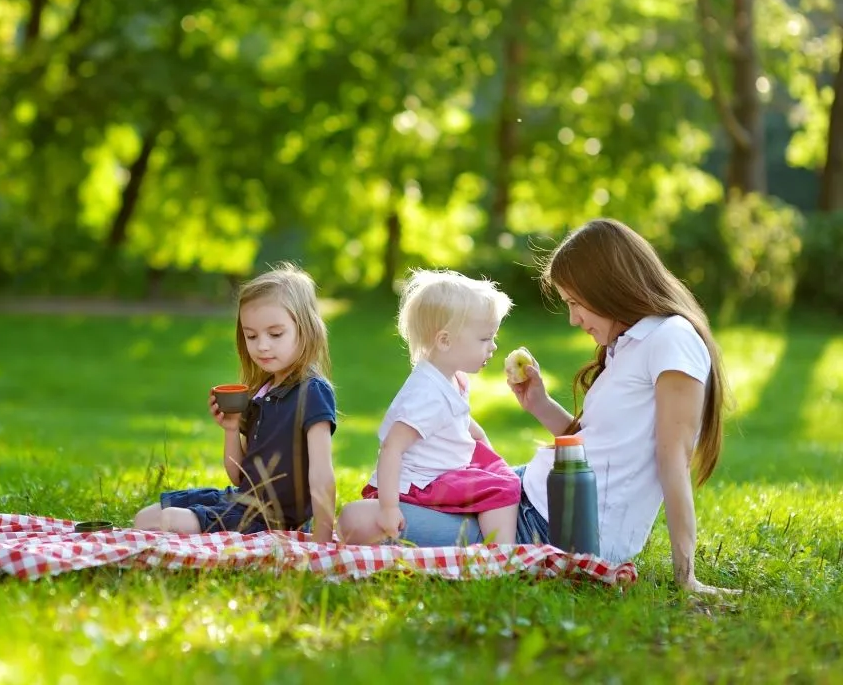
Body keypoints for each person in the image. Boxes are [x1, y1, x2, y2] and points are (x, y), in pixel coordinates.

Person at [339, 219, 738, 596]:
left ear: (610, 286)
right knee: (395, 497)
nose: (573, 319)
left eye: (576, 303)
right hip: (528, 493)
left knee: (357, 520)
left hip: (544, 526)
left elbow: (673, 457)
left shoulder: (671, 339)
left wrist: (686, 576)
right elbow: (592, 448)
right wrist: (540, 404)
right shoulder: (628, 345)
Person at [132, 263, 337, 542]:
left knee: (164, 522)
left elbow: (322, 474)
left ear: (307, 330)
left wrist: (322, 542)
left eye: (275, 334)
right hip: (240, 501)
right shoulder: (261, 393)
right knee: (144, 518)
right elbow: (239, 477)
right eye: (251, 335)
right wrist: (230, 429)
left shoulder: (312, 392)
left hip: (267, 518)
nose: (261, 345)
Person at [337, 270, 520, 546]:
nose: (493, 346)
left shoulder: (452, 377)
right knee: (504, 487)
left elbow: (460, 419)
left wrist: (482, 441)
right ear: (445, 341)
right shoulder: (426, 394)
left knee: (498, 474)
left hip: (444, 468)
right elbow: (392, 447)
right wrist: (388, 508)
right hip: (422, 483)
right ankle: (501, 551)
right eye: (485, 339)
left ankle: (491, 538)